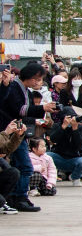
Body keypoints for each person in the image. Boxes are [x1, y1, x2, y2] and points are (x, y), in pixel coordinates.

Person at [0, 63, 57, 211]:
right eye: (37, 79)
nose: (38, 82)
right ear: (30, 77)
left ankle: (19, 197)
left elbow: (26, 112)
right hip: (11, 133)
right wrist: (42, 108)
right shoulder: (14, 87)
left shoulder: (25, 90)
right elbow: (20, 110)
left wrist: (42, 112)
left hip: (18, 133)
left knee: (20, 167)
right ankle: (18, 198)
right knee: (25, 167)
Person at [49, 109, 82, 186]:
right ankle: (50, 178)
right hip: (59, 157)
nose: (71, 120)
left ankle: (75, 177)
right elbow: (53, 139)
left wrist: (75, 129)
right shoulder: (57, 125)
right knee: (47, 156)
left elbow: (79, 144)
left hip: (75, 158)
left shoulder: (80, 127)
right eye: (69, 117)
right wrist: (63, 127)